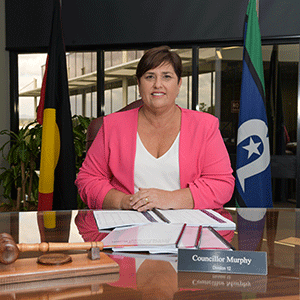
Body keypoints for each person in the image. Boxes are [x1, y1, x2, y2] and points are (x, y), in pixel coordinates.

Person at [75, 46, 234, 211]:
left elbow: (222, 184)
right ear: (138, 83)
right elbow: (88, 180)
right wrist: (123, 201)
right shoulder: (112, 125)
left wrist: (168, 198)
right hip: (127, 226)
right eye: (149, 77)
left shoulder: (205, 126)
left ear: (179, 84)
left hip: (187, 228)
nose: (158, 84)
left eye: (167, 77)